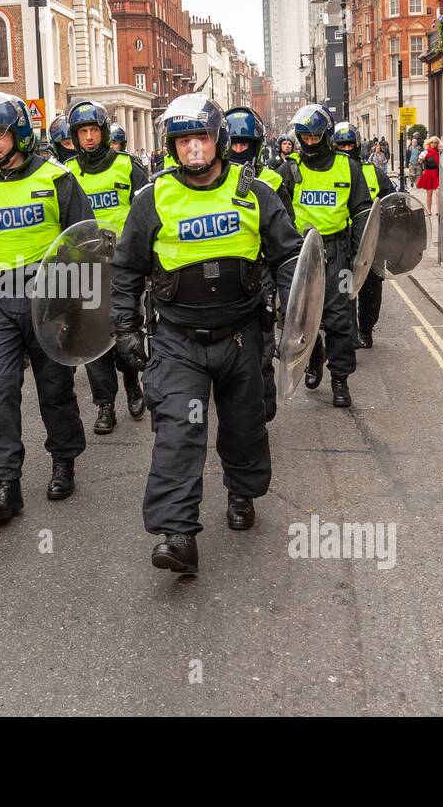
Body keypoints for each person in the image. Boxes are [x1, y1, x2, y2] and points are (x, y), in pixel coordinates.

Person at [110, 94, 302, 575]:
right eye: (183, 141)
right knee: (177, 430)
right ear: (171, 147)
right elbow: (126, 269)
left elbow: (290, 257)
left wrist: (294, 317)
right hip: (178, 339)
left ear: (217, 140)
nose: (193, 149)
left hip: (242, 335)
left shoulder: (254, 192)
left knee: (244, 424)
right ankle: (177, 534)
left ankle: (241, 492)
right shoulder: (152, 198)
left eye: (201, 138)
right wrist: (125, 326)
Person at [0, 93, 93, 522]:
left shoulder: (58, 178)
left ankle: (63, 460)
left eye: (0, 135)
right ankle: (6, 482)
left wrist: (80, 304)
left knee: (55, 388)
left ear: (21, 135)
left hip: (49, 296)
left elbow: (83, 240)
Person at [64, 101, 148, 433]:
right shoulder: (65, 171)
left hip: (123, 265)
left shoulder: (129, 166)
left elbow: (146, 213)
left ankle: (131, 382)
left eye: (92, 131)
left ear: (103, 132)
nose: (88, 138)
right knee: (92, 337)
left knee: (124, 329)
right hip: (86, 265)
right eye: (81, 132)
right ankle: (105, 403)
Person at [290, 104, 375, 408]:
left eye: (315, 137)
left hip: (336, 251)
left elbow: (363, 210)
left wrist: (357, 254)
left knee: (339, 320)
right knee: (301, 317)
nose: (309, 143)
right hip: (301, 255)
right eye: (304, 137)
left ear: (326, 135)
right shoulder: (289, 168)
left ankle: (340, 378)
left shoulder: (347, 167)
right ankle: (313, 355)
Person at [226, 106, 293, 424]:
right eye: (234, 143)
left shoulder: (272, 180)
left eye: (245, 144)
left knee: (262, 343)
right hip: (228, 274)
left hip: (261, 270)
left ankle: (264, 407)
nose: (239, 150)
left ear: (255, 145)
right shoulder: (215, 182)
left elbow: (286, 230)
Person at [333, 122, 394, 349]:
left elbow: (392, 201)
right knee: (344, 290)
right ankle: (350, 335)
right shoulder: (331, 174)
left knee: (371, 292)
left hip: (370, 244)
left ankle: (366, 329)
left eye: (350, 145)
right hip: (341, 242)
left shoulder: (374, 173)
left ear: (357, 146)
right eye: (341, 145)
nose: (346, 149)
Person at [418, 136, 441, 217]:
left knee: (438, 193)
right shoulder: (425, 152)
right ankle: (429, 210)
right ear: (429, 143)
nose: (434, 144)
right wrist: (421, 159)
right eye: (432, 142)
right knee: (429, 194)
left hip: (437, 174)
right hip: (428, 174)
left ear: (438, 143)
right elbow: (420, 161)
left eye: (435, 142)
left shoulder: (439, 152)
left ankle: (439, 211)